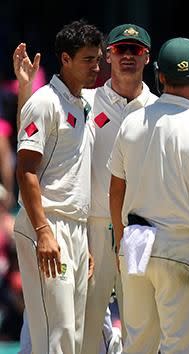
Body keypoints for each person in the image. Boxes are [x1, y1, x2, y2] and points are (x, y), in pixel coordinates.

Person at [13, 23, 158, 354]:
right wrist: (25, 91)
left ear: (146, 57)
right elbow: (36, 135)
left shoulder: (157, 109)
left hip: (136, 231)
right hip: (87, 224)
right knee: (72, 326)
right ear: (109, 55)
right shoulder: (87, 99)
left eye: (135, 51)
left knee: (142, 325)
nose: (127, 56)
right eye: (121, 49)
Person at [108, 37, 189, 353]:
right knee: (180, 346)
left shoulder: (131, 123)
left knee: (137, 345)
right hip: (178, 244)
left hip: (136, 241)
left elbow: (116, 189)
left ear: (160, 76)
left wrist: (120, 240)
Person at [13, 20, 102, 354]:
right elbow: (26, 171)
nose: (97, 67)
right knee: (59, 335)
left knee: (72, 338)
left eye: (98, 59)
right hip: (47, 225)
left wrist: (82, 239)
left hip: (74, 231)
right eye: (88, 60)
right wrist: (44, 231)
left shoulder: (81, 104)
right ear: (65, 59)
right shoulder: (45, 101)